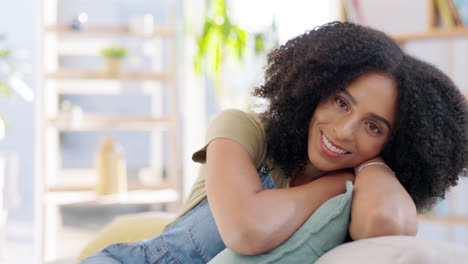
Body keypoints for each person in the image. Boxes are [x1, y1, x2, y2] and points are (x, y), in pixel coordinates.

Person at [79, 21, 467, 264]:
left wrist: (371, 165)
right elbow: (246, 230)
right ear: (315, 88)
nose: (346, 130)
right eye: (340, 102)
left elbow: (388, 223)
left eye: (374, 127)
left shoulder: (368, 184)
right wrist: (335, 183)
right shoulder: (243, 129)